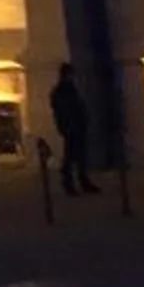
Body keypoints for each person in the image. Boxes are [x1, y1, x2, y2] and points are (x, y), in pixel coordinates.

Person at [49, 62, 102, 195]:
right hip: (71, 127)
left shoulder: (69, 89)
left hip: (76, 126)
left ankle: (82, 180)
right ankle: (70, 182)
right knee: (71, 156)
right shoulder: (63, 91)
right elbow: (64, 110)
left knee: (79, 155)